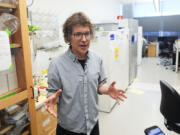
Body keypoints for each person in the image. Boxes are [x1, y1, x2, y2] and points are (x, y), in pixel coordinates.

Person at [44, 12, 127, 135]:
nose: (84, 39)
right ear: (68, 37)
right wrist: (52, 99)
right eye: (78, 34)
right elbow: (52, 94)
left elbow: (99, 85)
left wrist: (107, 90)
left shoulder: (97, 59)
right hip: (68, 130)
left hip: (92, 126)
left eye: (87, 34)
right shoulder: (56, 65)